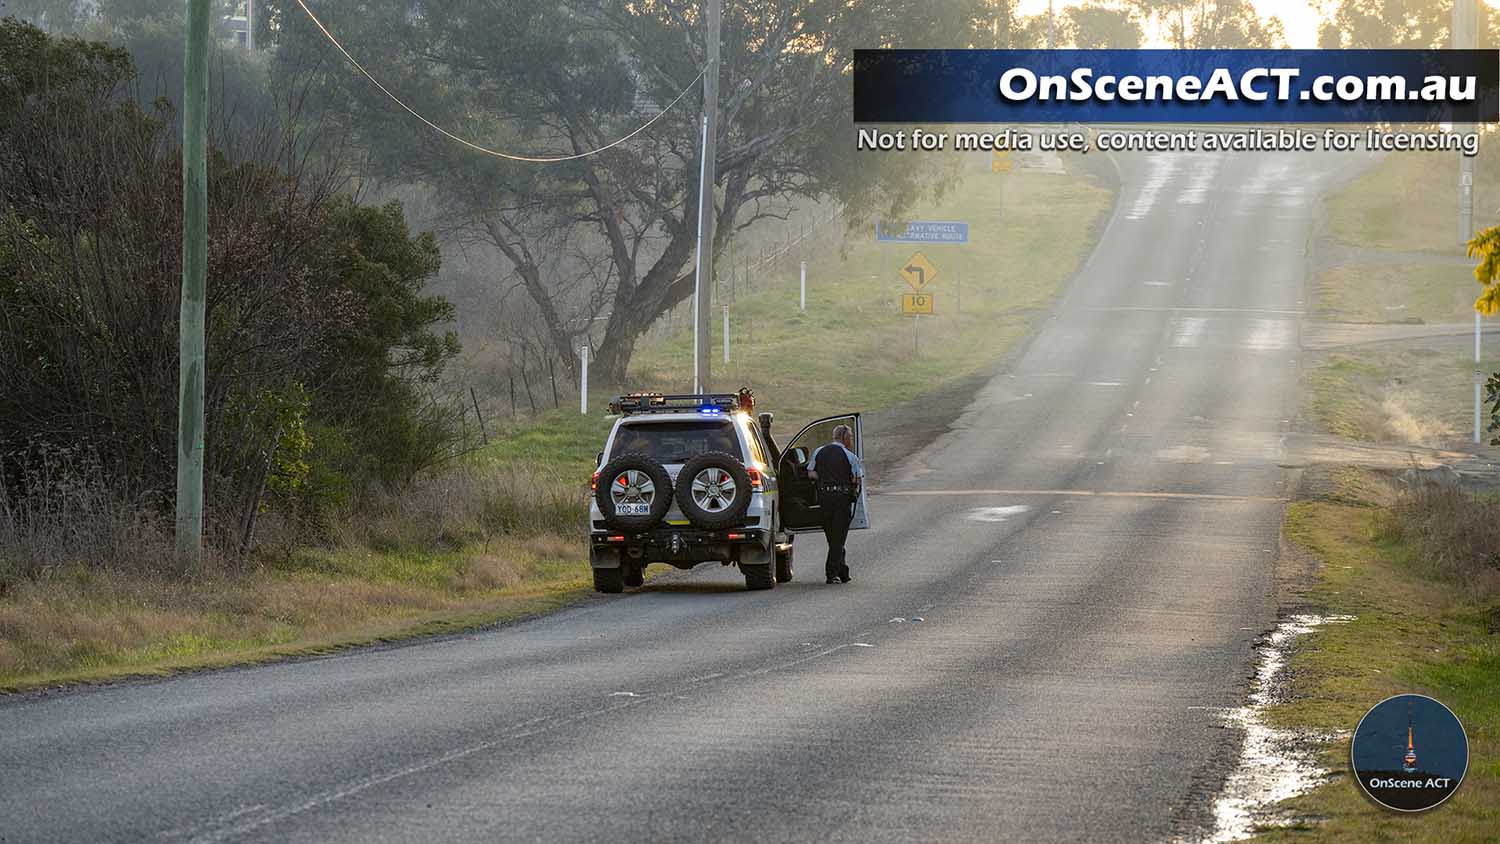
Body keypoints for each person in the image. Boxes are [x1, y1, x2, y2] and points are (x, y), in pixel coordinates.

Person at [808, 424, 863, 584]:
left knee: (833, 537)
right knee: (838, 538)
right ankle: (831, 574)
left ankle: (843, 572)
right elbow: (857, 479)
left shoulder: (819, 451)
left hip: (824, 499)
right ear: (845, 437)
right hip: (841, 499)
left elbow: (811, 473)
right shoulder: (850, 456)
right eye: (850, 437)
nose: (851, 440)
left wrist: (823, 478)